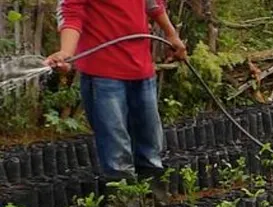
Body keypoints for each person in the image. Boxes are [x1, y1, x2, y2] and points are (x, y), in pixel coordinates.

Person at [45, 0, 187, 191]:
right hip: (103, 72)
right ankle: (124, 202)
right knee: (115, 145)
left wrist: (171, 34)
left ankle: (153, 197)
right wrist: (66, 53)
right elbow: (71, 11)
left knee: (149, 139)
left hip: (141, 67)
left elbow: (153, 4)